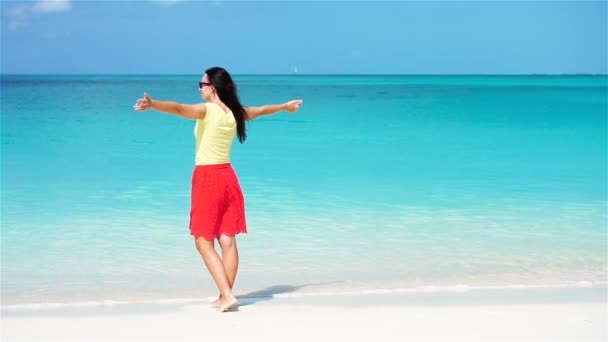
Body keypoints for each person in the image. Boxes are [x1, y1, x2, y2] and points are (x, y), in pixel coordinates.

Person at [133, 67, 303, 312]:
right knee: (228, 240)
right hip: (228, 177)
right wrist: (285, 106)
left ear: (212, 87)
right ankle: (226, 296)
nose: (199, 88)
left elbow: (179, 108)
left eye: (201, 84)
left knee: (203, 242)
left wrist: (153, 104)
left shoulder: (207, 110)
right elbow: (262, 110)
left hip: (208, 178)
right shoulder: (235, 112)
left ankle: (226, 294)